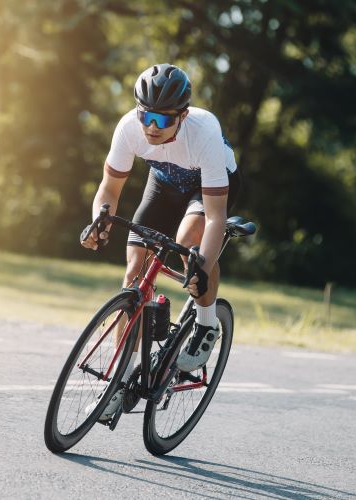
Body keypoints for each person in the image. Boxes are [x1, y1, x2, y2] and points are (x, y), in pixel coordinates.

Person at [82, 63, 242, 420]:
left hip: (206, 189)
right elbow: (109, 189)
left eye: (163, 119)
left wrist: (201, 262)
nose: (151, 127)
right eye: (146, 116)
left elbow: (215, 217)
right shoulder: (129, 128)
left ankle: (205, 323)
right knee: (134, 271)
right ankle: (118, 382)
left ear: (182, 116)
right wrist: (100, 219)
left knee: (188, 248)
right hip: (164, 184)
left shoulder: (205, 133)